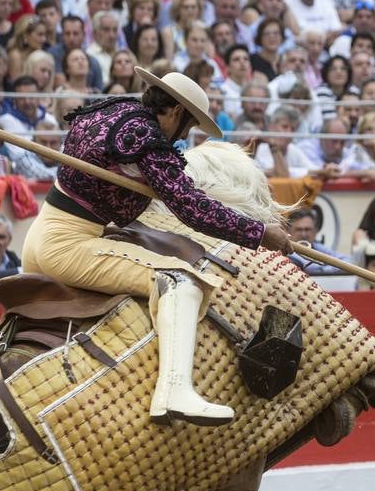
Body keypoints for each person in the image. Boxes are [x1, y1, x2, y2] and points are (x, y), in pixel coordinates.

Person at [20, 68, 290, 426]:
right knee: (180, 281)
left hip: (40, 236)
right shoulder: (143, 136)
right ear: (176, 113)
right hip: (68, 245)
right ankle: (174, 391)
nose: (184, 138)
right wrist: (259, 233)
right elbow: (192, 208)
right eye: (189, 126)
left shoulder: (114, 112)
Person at [285, 207, 347, 275]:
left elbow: (347, 261)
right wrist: (332, 266)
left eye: (307, 229)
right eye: (299, 230)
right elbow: (309, 268)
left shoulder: (317, 247)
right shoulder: (285, 253)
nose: (304, 234)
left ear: (315, 231)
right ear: (288, 231)